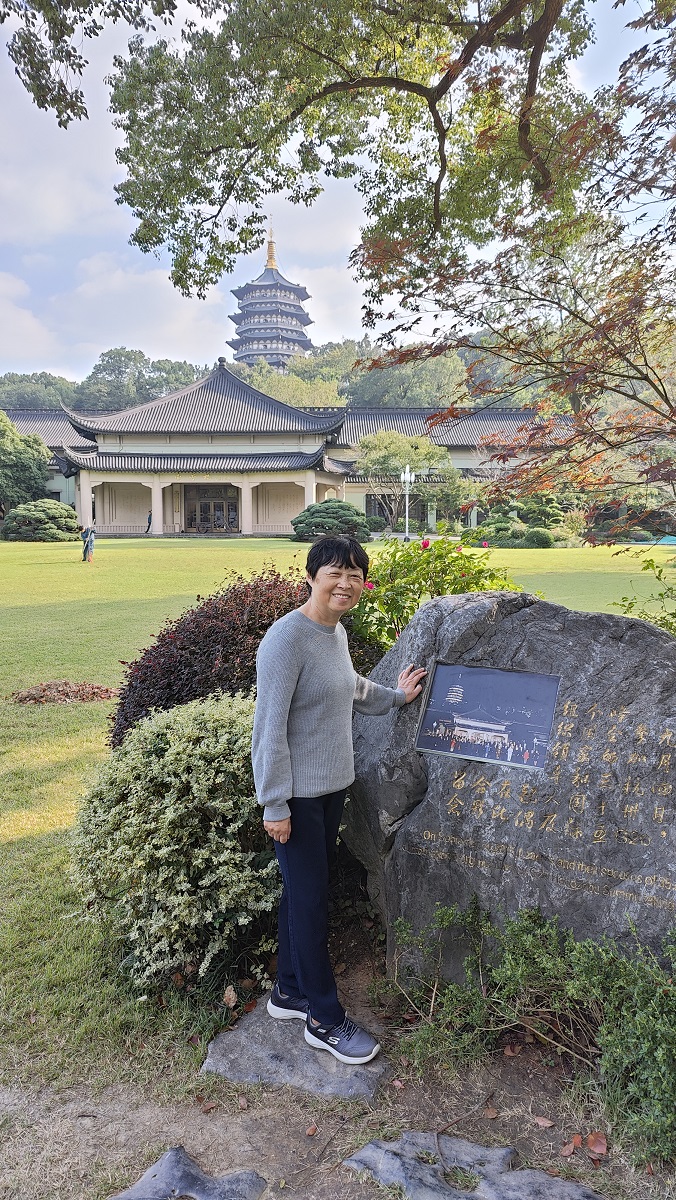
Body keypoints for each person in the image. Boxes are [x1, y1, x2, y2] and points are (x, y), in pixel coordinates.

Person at [252, 535, 426, 1066]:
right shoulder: (286, 639)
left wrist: (398, 697)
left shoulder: (334, 634)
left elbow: (349, 687)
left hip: (330, 790)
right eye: (335, 572)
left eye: (355, 574)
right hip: (299, 799)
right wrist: (275, 803)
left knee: (301, 892)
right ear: (311, 577)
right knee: (310, 901)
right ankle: (323, 1018)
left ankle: (288, 992)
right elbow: (269, 727)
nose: (345, 583)